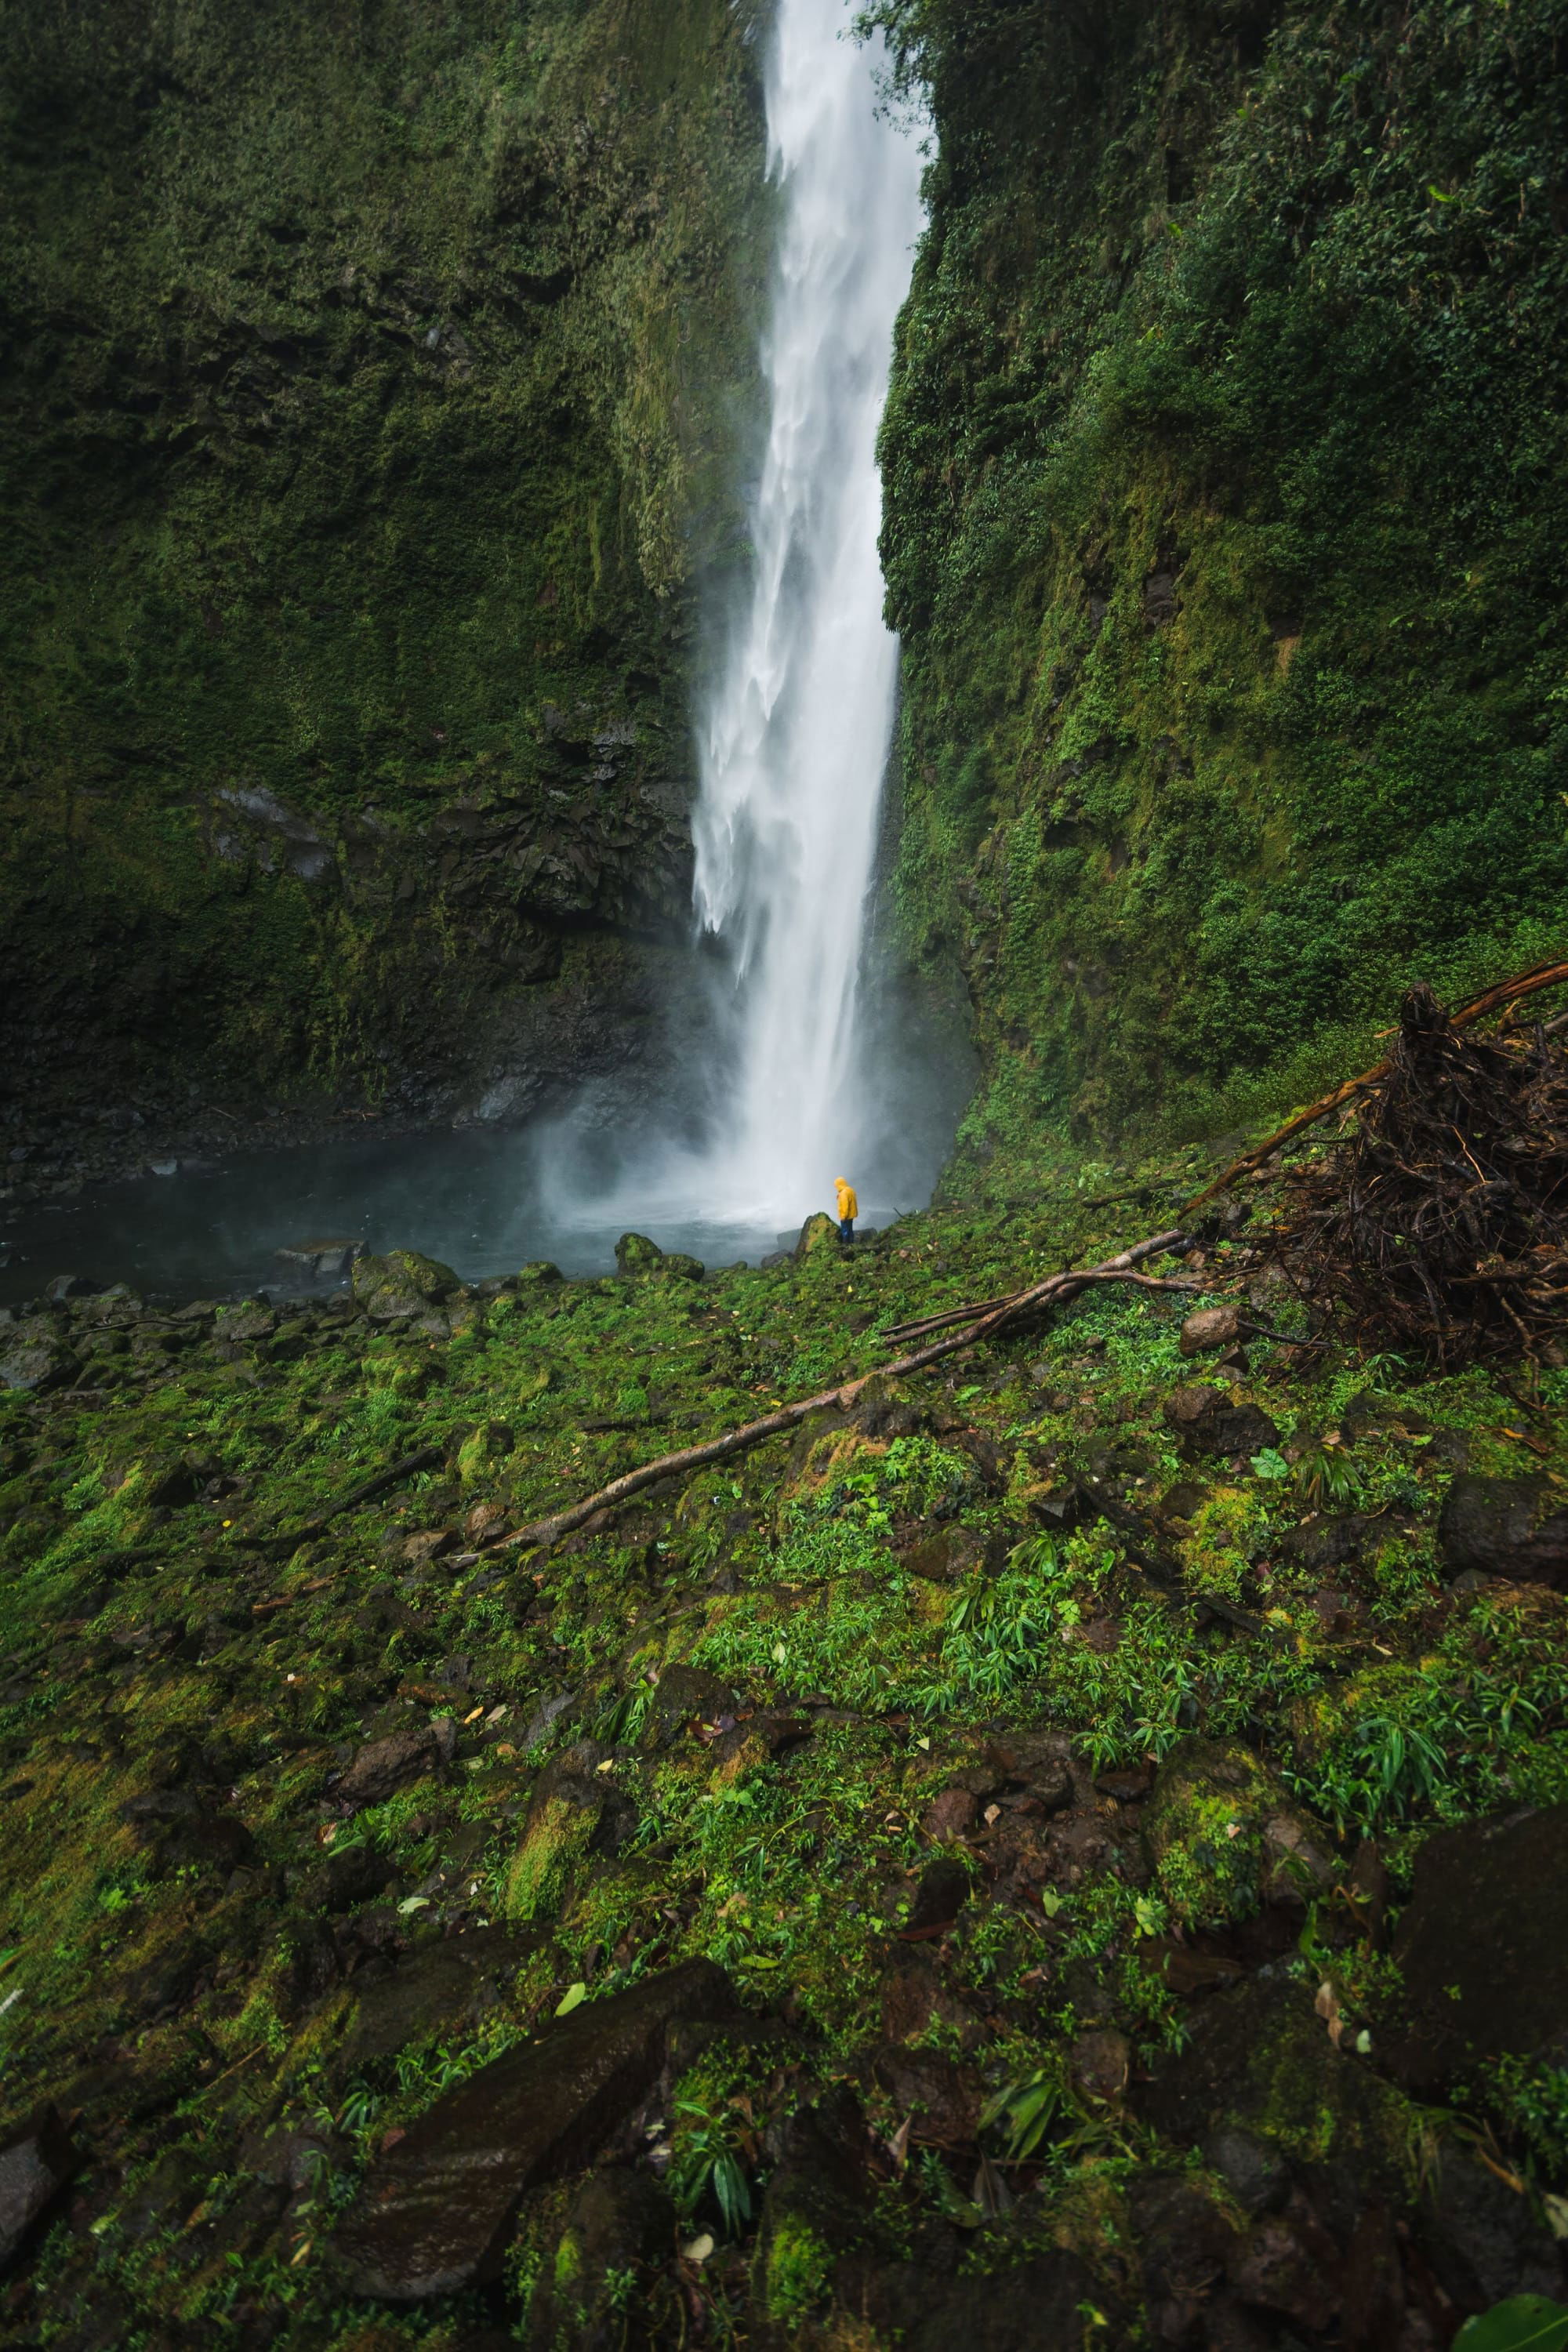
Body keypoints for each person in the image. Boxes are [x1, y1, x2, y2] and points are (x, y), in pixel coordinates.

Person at [834, 1176, 858, 1247]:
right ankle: (851, 1243)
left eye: (837, 1186)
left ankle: (845, 1245)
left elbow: (845, 1206)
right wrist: (840, 1195)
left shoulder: (843, 1193)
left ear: (839, 1185)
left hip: (846, 1216)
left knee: (845, 1230)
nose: (836, 1188)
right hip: (851, 1214)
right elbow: (850, 1199)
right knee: (850, 1229)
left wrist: (843, 1216)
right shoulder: (850, 1190)